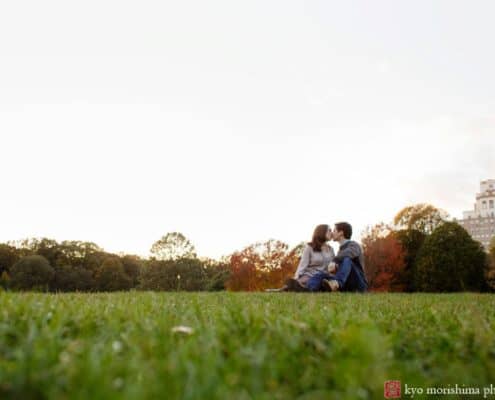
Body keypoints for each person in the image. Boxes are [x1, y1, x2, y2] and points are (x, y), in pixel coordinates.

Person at [284, 224, 335, 292]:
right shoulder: (310, 247)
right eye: (329, 230)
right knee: (302, 281)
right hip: (309, 275)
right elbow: (303, 265)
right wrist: (296, 277)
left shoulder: (331, 249)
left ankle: (303, 288)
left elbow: (332, 267)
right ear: (322, 232)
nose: (332, 233)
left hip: (323, 276)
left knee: (319, 280)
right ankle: (291, 287)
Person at [320, 222, 368, 292]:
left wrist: (334, 260)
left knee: (347, 259)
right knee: (320, 275)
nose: (332, 233)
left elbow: (349, 253)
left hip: (359, 284)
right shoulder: (340, 251)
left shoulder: (354, 245)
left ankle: (336, 284)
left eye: (334, 230)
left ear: (341, 233)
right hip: (346, 285)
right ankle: (311, 289)